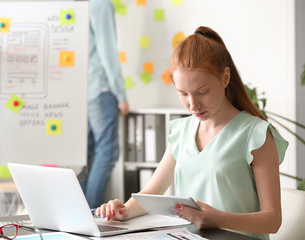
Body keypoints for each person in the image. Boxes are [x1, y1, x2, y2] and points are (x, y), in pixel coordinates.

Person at [96, 26, 288, 240]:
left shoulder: (255, 134)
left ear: (225, 77)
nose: (193, 104)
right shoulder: (181, 131)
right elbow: (152, 191)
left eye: (202, 92)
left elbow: (272, 220)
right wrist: (124, 211)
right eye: (183, 94)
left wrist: (219, 219)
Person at [79, 0, 129, 208]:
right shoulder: (101, 4)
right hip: (101, 89)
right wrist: (121, 94)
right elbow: (107, 51)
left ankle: (78, 213)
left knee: (84, 156)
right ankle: (90, 212)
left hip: (82, 91)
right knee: (107, 152)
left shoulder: (80, 5)